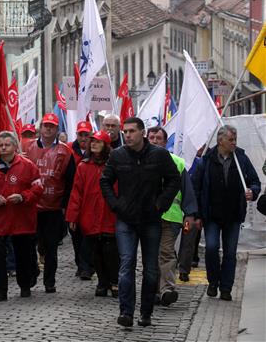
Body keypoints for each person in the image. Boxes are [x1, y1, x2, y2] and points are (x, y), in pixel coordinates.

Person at [100, 117, 180, 327]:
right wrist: (115, 205)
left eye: (132, 131)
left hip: (151, 219)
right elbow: (105, 181)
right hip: (125, 219)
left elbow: (174, 179)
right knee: (126, 264)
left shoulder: (159, 154)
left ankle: (146, 312)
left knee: (151, 268)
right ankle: (126, 312)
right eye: (125, 131)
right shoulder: (118, 155)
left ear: (142, 133)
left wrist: (161, 203)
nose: (127, 135)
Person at [192, 125, 261, 301]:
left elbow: (254, 181)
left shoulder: (241, 158)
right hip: (212, 215)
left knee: (230, 252)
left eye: (235, 140)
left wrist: (252, 191)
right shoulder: (206, 160)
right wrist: (197, 214)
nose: (234, 143)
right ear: (220, 140)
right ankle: (213, 282)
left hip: (233, 214)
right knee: (212, 248)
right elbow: (196, 188)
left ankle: (226, 288)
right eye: (231, 140)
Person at [0, 131, 43, 301]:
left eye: (7, 145)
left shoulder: (28, 166)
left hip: (21, 218)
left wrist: (23, 196)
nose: (4, 148)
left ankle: (25, 285)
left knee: (23, 253)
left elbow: (38, 188)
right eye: (0, 145)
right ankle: (0, 290)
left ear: (15, 146)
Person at [22, 113, 75, 293]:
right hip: (31, 206)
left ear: (56, 129)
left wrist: (65, 205)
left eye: (52, 126)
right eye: (46, 125)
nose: (48, 129)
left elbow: (70, 180)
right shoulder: (28, 149)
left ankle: (49, 281)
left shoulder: (65, 151)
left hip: (54, 206)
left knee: (51, 246)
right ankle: (32, 272)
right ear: (40, 128)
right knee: (29, 243)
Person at [147, 127, 198, 306]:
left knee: (166, 253)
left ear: (165, 141)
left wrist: (190, 213)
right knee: (151, 254)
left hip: (171, 217)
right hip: (148, 217)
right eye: (151, 137)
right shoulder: (140, 161)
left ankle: (167, 289)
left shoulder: (178, 162)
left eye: (158, 138)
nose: (154, 140)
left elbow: (187, 190)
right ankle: (152, 289)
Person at [66, 130, 119, 297]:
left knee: (111, 250)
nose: (94, 144)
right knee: (96, 250)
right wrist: (73, 216)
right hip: (90, 214)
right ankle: (102, 282)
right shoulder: (83, 166)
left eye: (98, 142)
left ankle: (114, 280)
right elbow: (76, 193)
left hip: (110, 213)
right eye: (92, 142)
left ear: (105, 145)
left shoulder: (114, 165)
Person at [67, 120, 94, 279]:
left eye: (86, 135)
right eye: (80, 134)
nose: (83, 138)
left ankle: (88, 266)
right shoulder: (69, 150)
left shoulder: (97, 151)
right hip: (74, 199)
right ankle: (81, 264)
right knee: (76, 235)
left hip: (90, 201)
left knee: (89, 235)